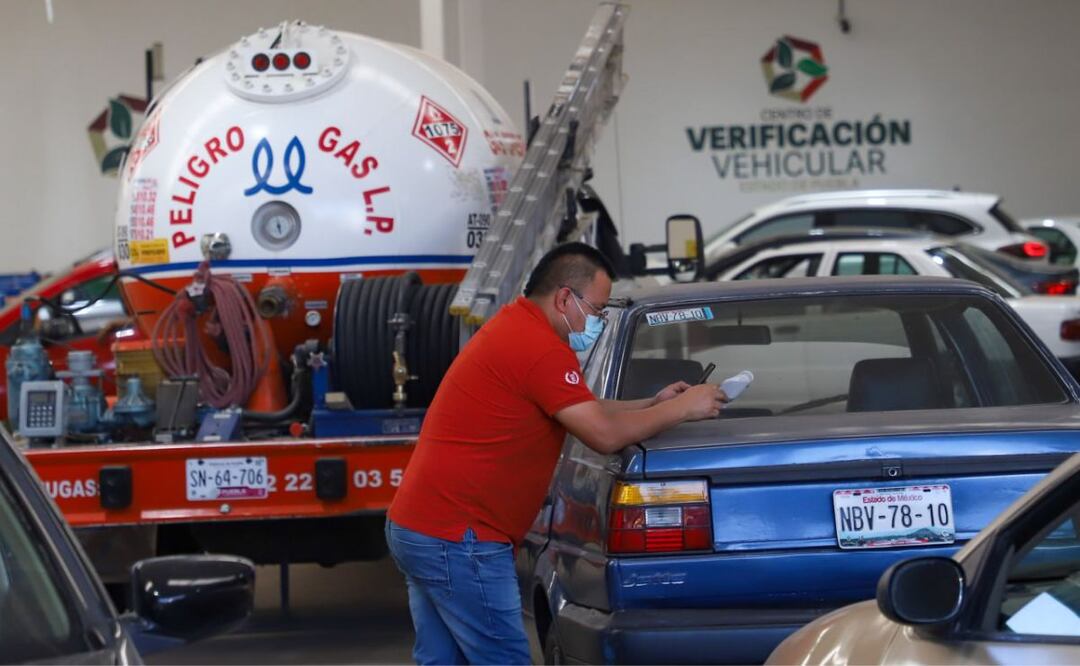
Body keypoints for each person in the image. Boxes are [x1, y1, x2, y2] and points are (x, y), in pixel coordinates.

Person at [386, 242, 726, 665]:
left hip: (422, 527)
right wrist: (683, 409)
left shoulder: (518, 328)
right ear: (565, 297)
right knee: (503, 658)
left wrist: (653, 404)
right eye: (598, 310)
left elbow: (584, 410)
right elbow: (601, 434)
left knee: (442, 660)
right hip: (461, 536)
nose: (599, 321)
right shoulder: (540, 348)